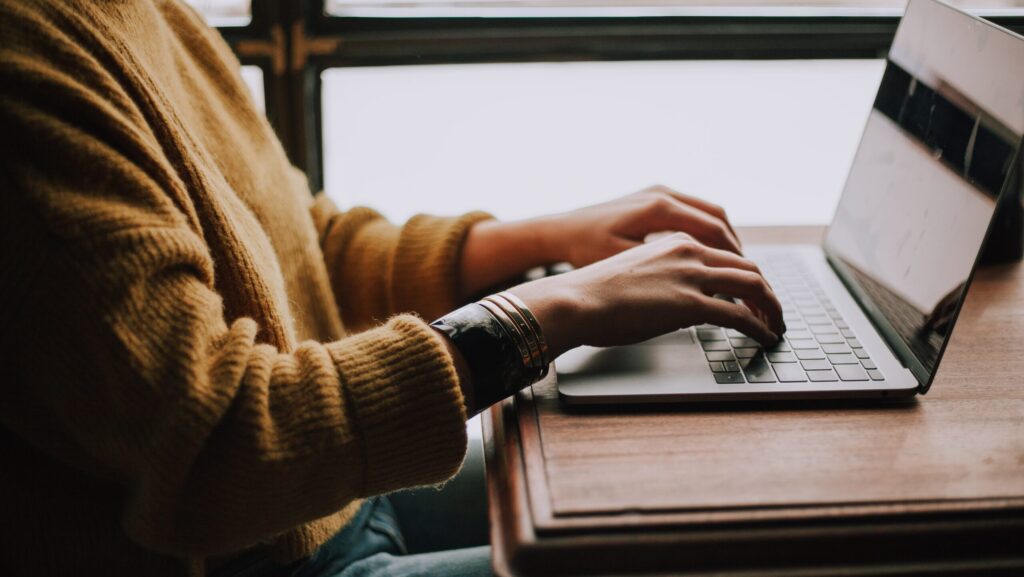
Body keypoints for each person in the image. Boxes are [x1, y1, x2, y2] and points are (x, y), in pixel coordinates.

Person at [0, 1, 784, 576]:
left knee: (725, 501)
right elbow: (215, 450)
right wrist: (547, 312)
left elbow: (297, 248)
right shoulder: (25, 66)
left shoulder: (139, 10)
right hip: (254, 553)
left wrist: (544, 241)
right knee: (721, 560)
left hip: (326, 501)